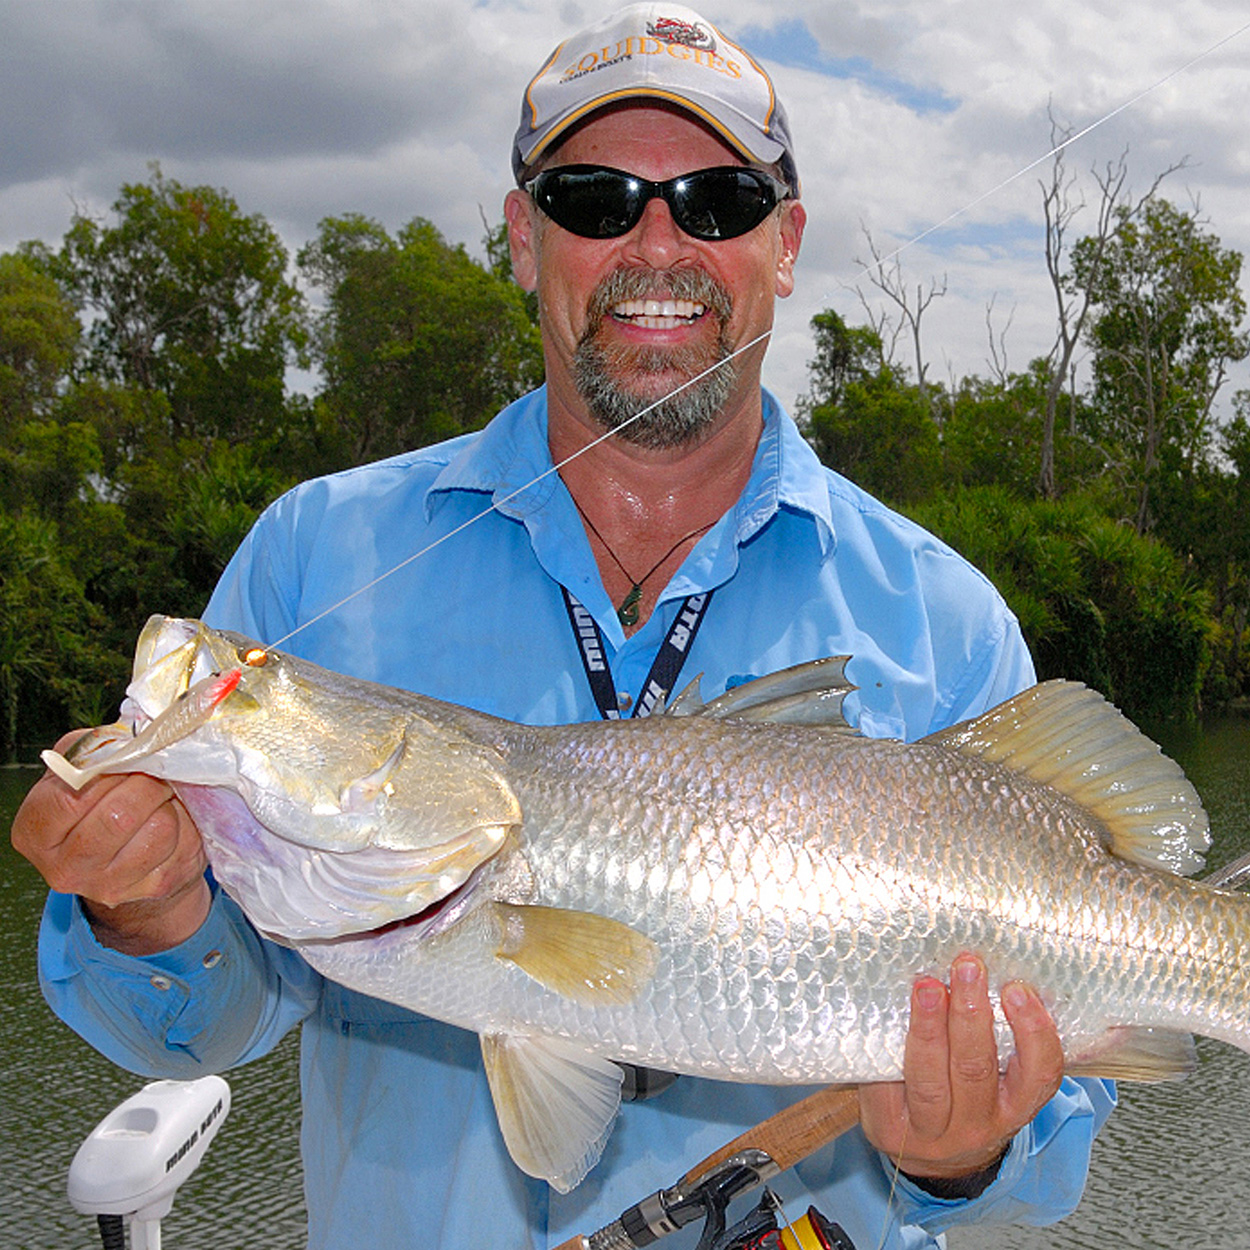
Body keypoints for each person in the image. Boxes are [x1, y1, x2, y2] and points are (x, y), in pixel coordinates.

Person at [13, 5, 1112, 1247]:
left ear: (786, 241)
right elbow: (202, 1025)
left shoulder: (946, 620)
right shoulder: (315, 554)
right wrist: (145, 910)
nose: (656, 242)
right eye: (594, 198)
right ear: (525, 240)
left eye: (715, 199)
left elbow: (1057, 1149)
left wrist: (966, 1155)